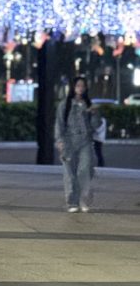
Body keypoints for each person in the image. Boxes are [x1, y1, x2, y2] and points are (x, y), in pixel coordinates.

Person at [54, 76, 102, 212]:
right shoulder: (65, 104)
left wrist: (95, 114)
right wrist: (59, 140)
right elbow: (59, 123)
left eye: (83, 86)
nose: (80, 88)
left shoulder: (89, 104)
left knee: (85, 169)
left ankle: (84, 200)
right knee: (70, 173)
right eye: (78, 86)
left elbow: (96, 126)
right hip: (69, 142)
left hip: (85, 141)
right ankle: (72, 202)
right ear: (73, 88)